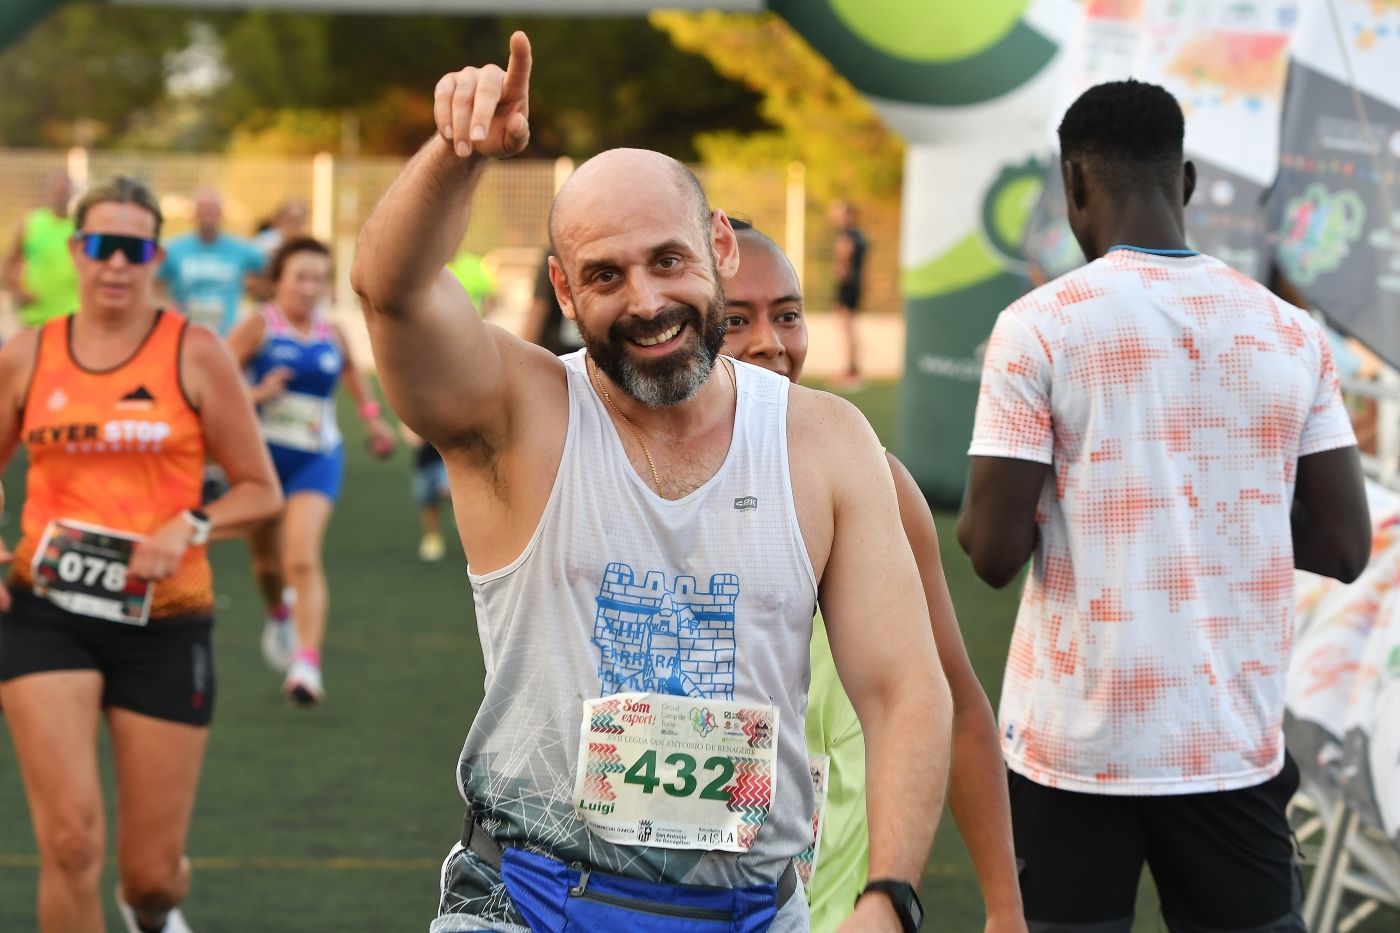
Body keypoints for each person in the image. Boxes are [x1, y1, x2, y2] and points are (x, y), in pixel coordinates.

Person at [351, 32, 952, 933]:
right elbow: (392, 293)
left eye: (667, 260)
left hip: (753, 909)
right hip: (534, 900)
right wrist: (457, 155)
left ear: (719, 249)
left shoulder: (821, 441)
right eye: (604, 275)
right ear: (562, 288)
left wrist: (890, 896)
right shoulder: (517, 411)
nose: (645, 301)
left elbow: (905, 686)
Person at [958, 80, 1372, 932]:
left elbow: (990, 551)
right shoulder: (1291, 331)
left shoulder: (1039, 324)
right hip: (1230, 742)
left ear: (1074, 184)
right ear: (1183, 182)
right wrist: (1223, 499)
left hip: (1074, 750)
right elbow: (1342, 542)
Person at [722, 219, 1024, 931]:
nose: (772, 340)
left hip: (835, 910)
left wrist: (1006, 908)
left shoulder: (873, 484)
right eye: (736, 320)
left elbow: (956, 700)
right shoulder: (637, 487)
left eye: (789, 315)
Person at [0, 176, 281, 933]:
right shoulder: (27, 355)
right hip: (45, 613)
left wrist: (187, 525)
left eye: (133, 248)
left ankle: (154, 909)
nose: (116, 264)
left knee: (150, 876)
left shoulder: (195, 351)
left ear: (156, 255)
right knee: (69, 843)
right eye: (101, 245)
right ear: (76, 251)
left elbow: (260, 490)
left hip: (166, 620)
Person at [227, 236, 396, 706]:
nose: (309, 288)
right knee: (267, 565)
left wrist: (372, 417)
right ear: (277, 281)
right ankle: (278, 613)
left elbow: (350, 374)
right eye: (300, 277)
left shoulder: (332, 332)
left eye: (319, 279)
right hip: (260, 464)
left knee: (301, 557)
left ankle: (306, 666)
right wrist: (257, 394)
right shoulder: (258, 328)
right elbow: (213, 385)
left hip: (316, 460)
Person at [157, 188, 265, 336]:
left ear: (221, 214)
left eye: (212, 210)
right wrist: (167, 306)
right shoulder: (174, 249)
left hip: (227, 336)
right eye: (203, 210)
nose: (208, 216)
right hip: (184, 334)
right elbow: (153, 284)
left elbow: (272, 272)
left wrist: (254, 289)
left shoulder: (240, 250)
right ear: (193, 214)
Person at [2, 171, 79, 329]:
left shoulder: (80, 227)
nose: (61, 197)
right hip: (36, 318)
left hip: (73, 317)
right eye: (58, 192)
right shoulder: (31, 222)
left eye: (65, 192)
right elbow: (10, 262)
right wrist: (17, 291)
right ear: (48, 192)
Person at [399, 423, 451, 562]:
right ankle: (432, 538)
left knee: (447, 490)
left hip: (446, 460)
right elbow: (409, 432)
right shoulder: (417, 406)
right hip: (424, 462)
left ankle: (462, 519)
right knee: (428, 503)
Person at [828, 201, 867, 386]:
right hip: (856, 285)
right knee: (850, 328)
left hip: (847, 286)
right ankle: (853, 368)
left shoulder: (847, 236)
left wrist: (839, 270)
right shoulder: (861, 235)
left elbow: (843, 259)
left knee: (846, 329)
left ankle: (851, 370)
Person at [521, 248, 584, 355]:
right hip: (558, 351)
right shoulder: (556, 252)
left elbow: (539, 307)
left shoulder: (558, 249)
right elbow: (539, 306)